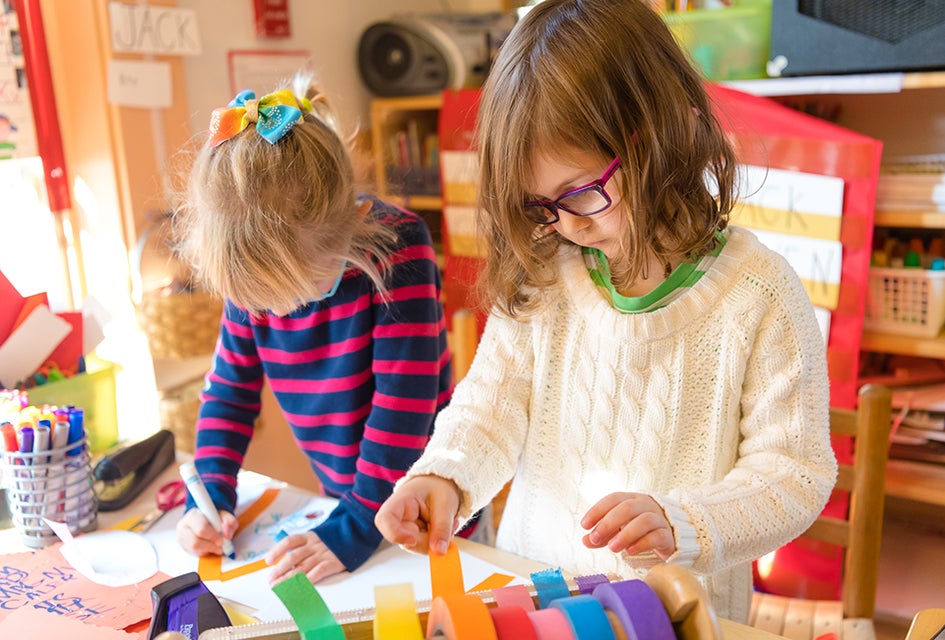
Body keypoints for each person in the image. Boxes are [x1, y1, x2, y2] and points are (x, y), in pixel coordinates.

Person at [375, 0, 837, 624]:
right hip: (537, 605)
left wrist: (686, 522)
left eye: (582, 193)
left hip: (675, 618)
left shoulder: (760, 294)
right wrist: (447, 478)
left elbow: (794, 473)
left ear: (662, 135)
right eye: (540, 206)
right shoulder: (549, 271)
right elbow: (490, 406)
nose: (564, 223)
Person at [173, 73, 453, 586]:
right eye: (264, 301)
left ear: (345, 230)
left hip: (425, 499)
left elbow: (402, 413)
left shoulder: (399, 249)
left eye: (296, 292)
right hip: (348, 496)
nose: (278, 310)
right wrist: (210, 494)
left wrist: (353, 528)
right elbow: (228, 395)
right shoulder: (256, 278)